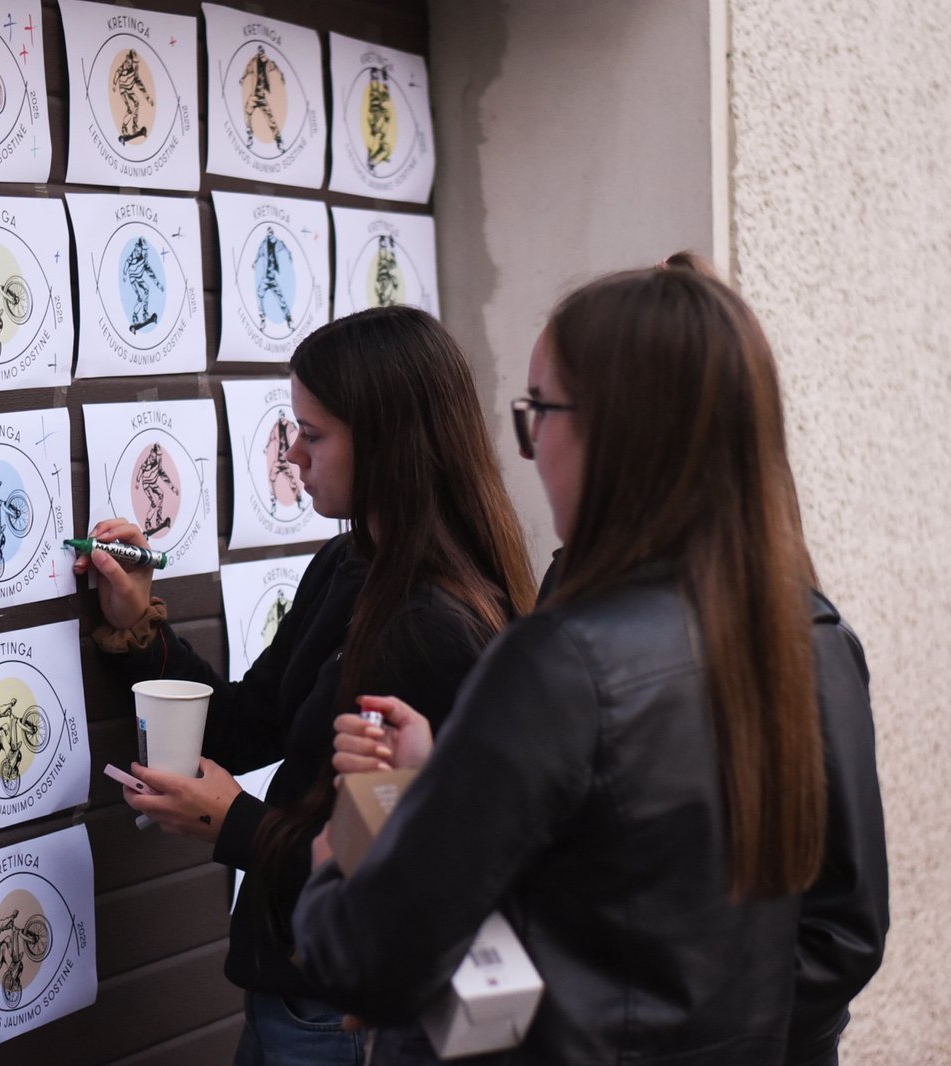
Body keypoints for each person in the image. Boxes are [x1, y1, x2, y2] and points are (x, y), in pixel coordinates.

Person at [295, 261, 889, 1064]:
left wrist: (332, 873)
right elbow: (805, 924)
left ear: (619, 433)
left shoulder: (564, 663)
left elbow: (369, 959)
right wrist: (455, 774)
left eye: (540, 411)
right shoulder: (812, 632)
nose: (531, 449)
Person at [76, 305, 536, 1065]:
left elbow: (402, 866)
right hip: (291, 988)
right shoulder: (349, 566)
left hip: (340, 1014)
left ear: (387, 443)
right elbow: (244, 722)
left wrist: (232, 822)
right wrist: (137, 624)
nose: (291, 454)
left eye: (313, 435)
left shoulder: (435, 628)